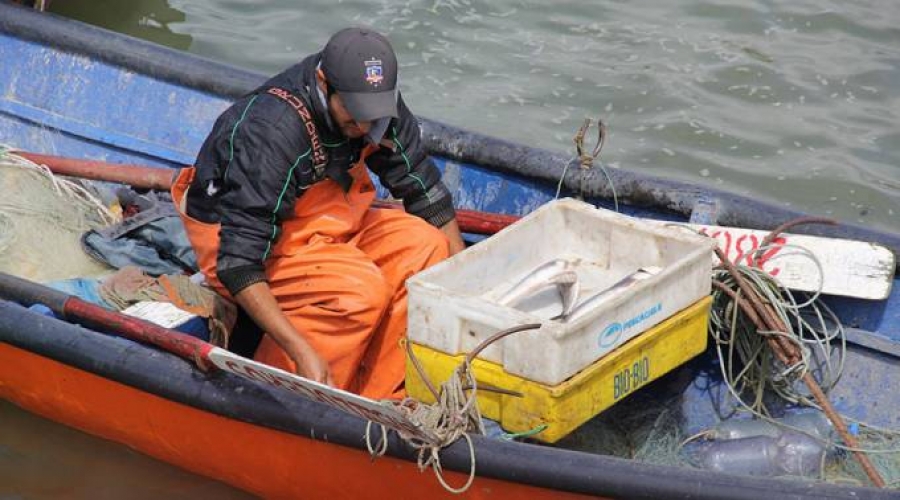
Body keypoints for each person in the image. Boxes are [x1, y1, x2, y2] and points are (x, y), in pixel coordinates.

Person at [172, 27, 465, 400]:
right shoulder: (272, 130)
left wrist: (462, 295)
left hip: (330, 224)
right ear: (324, 83)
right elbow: (237, 263)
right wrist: (300, 351)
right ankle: (285, 392)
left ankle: (380, 400)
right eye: (355, 114)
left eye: (373, 117)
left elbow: (423, 190)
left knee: (428, 245)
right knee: (358, 291)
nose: (364, 127)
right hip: (241, 244)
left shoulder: (376, 105)